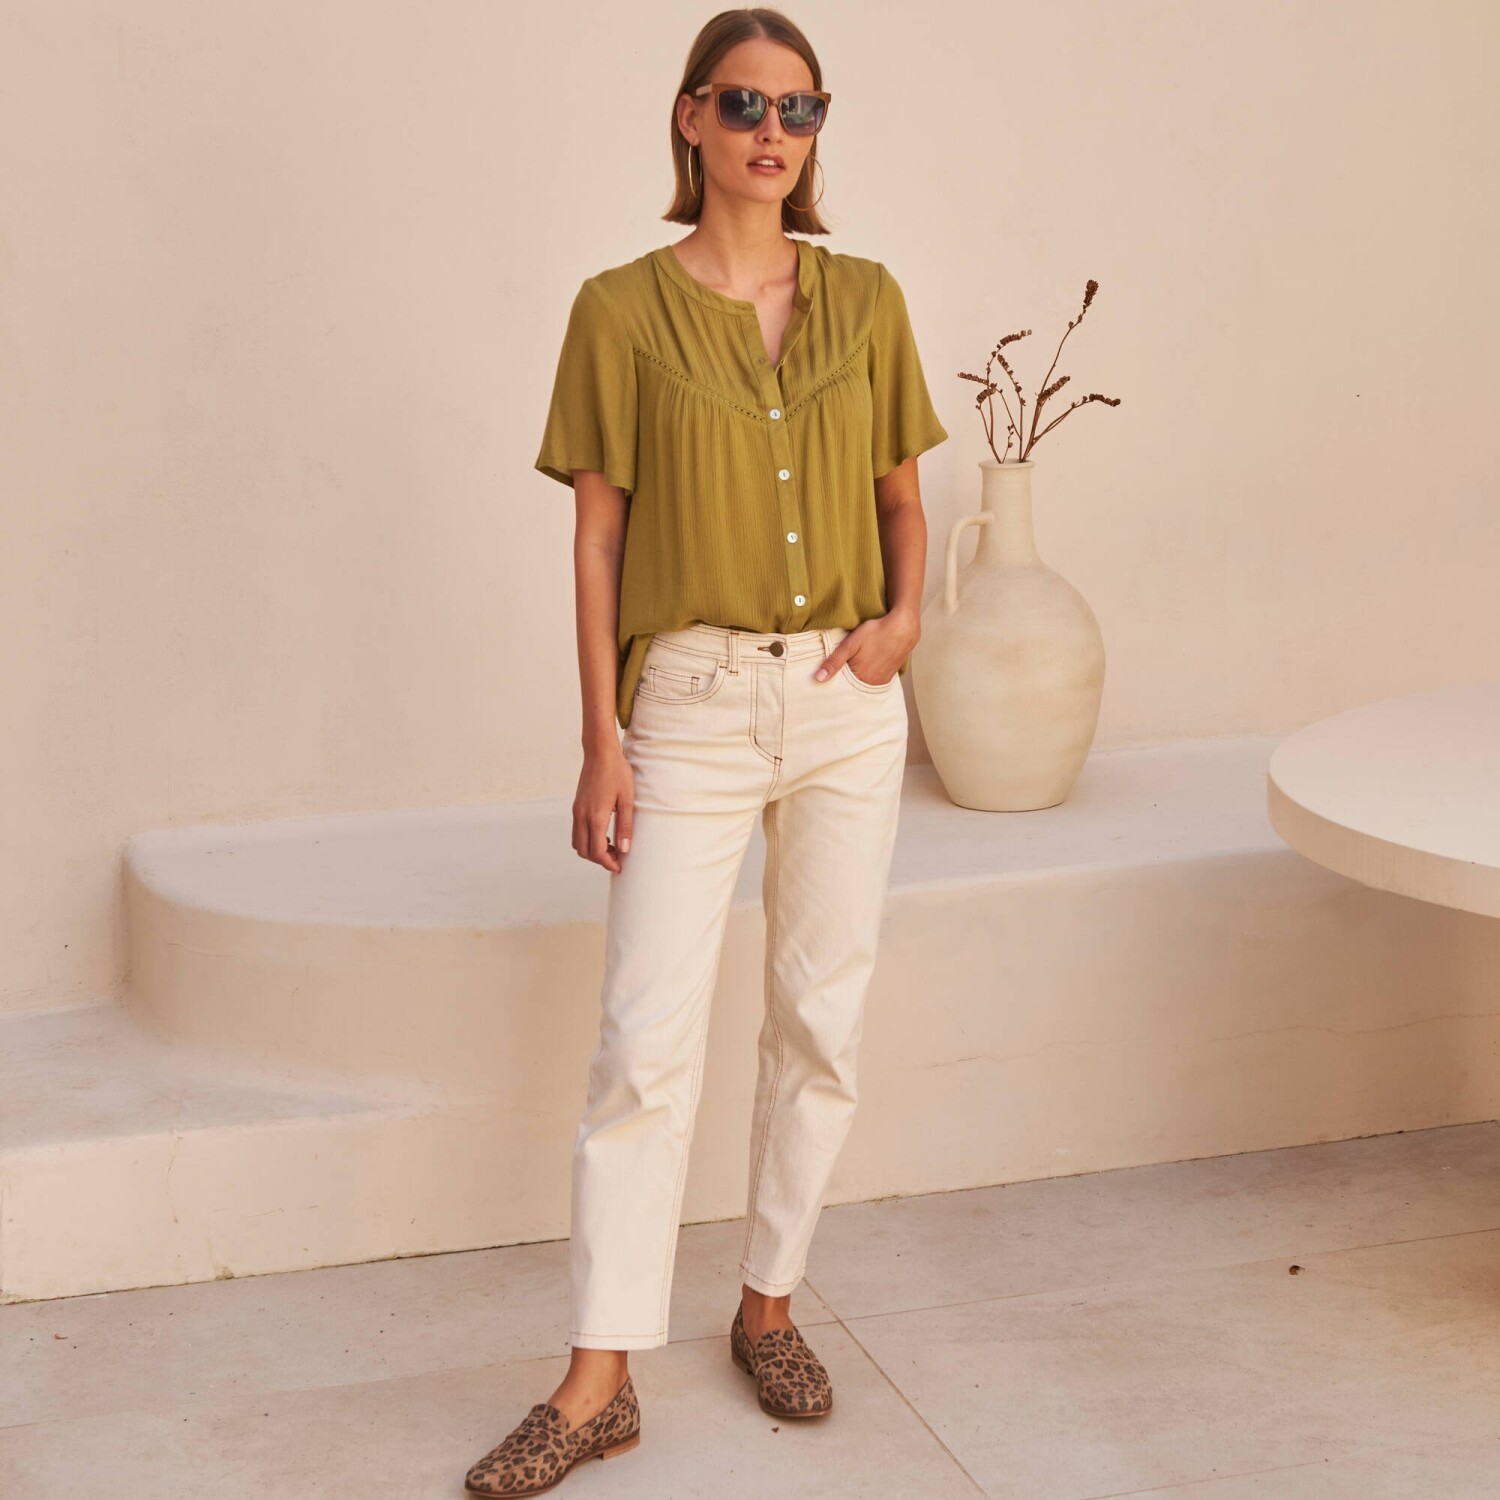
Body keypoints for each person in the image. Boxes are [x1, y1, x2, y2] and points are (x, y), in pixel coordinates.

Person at [465, 8, 947, 1495]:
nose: (771, 133)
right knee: (643, 1044)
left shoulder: (867, 298)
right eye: (742, 104)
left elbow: (903, 502)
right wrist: (600, 739)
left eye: (799, 109)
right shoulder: (618, 311)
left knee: (820, 1019)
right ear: (690, 118)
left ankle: (769, 1305)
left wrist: (904, 625)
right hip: (687, 702)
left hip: (847, 701)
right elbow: (596, 539)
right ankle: (600, 1376)